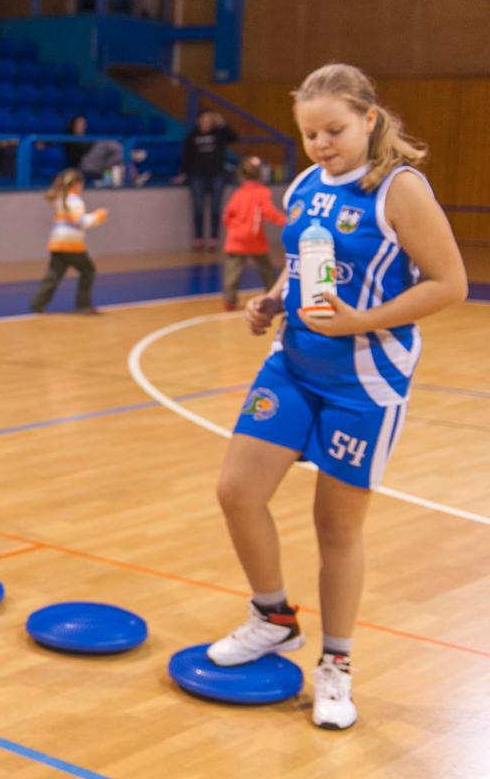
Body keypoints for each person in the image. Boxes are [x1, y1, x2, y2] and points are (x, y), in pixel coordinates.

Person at [207, 63, 467, 731]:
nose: (321, 145)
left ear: (368, 119)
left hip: (366, 380)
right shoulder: (304, 184)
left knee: (336, 527)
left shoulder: (399, 189)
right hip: (292, 364)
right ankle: (273, 617)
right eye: (310, 134)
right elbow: (303, 264)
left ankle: (337, 663)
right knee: (237, 491)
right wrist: (273, 298)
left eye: (334, 131)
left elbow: (450, 284)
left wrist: (361, 321)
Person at [29, 168, 108, 314]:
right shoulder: (75, 201)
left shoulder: (61, 199)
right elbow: (80, 222)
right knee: (88, 271)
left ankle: (37, 304)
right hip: (71, 244)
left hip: (57, 243)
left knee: (53, 275)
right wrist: (98, 216)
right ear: (77, 184)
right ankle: (83, 305)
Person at [220, 155, 285, 311]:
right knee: (266, 269)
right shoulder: (263, 192)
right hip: (255, 239)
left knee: (232, 272)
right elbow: (269, 212)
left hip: (236, 238)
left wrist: (234, 229)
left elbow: (227, 215)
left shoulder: (238, 193)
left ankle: (230, 300)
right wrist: (286, 221)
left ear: (241, 175)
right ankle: (273, 296)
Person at [179, 109, 237, 251]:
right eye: (204, 119)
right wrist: (184, 173)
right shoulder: (193, 135)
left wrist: (222, 123)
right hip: (197, 175)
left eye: (209, 119)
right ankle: (198, 238)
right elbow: (187, 156)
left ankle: (213, 238)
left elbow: (234, 138)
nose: (206, 122)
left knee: (215, 208)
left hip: (217, 174)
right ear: (199, 120)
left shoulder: (219, 133)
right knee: (198, 207)